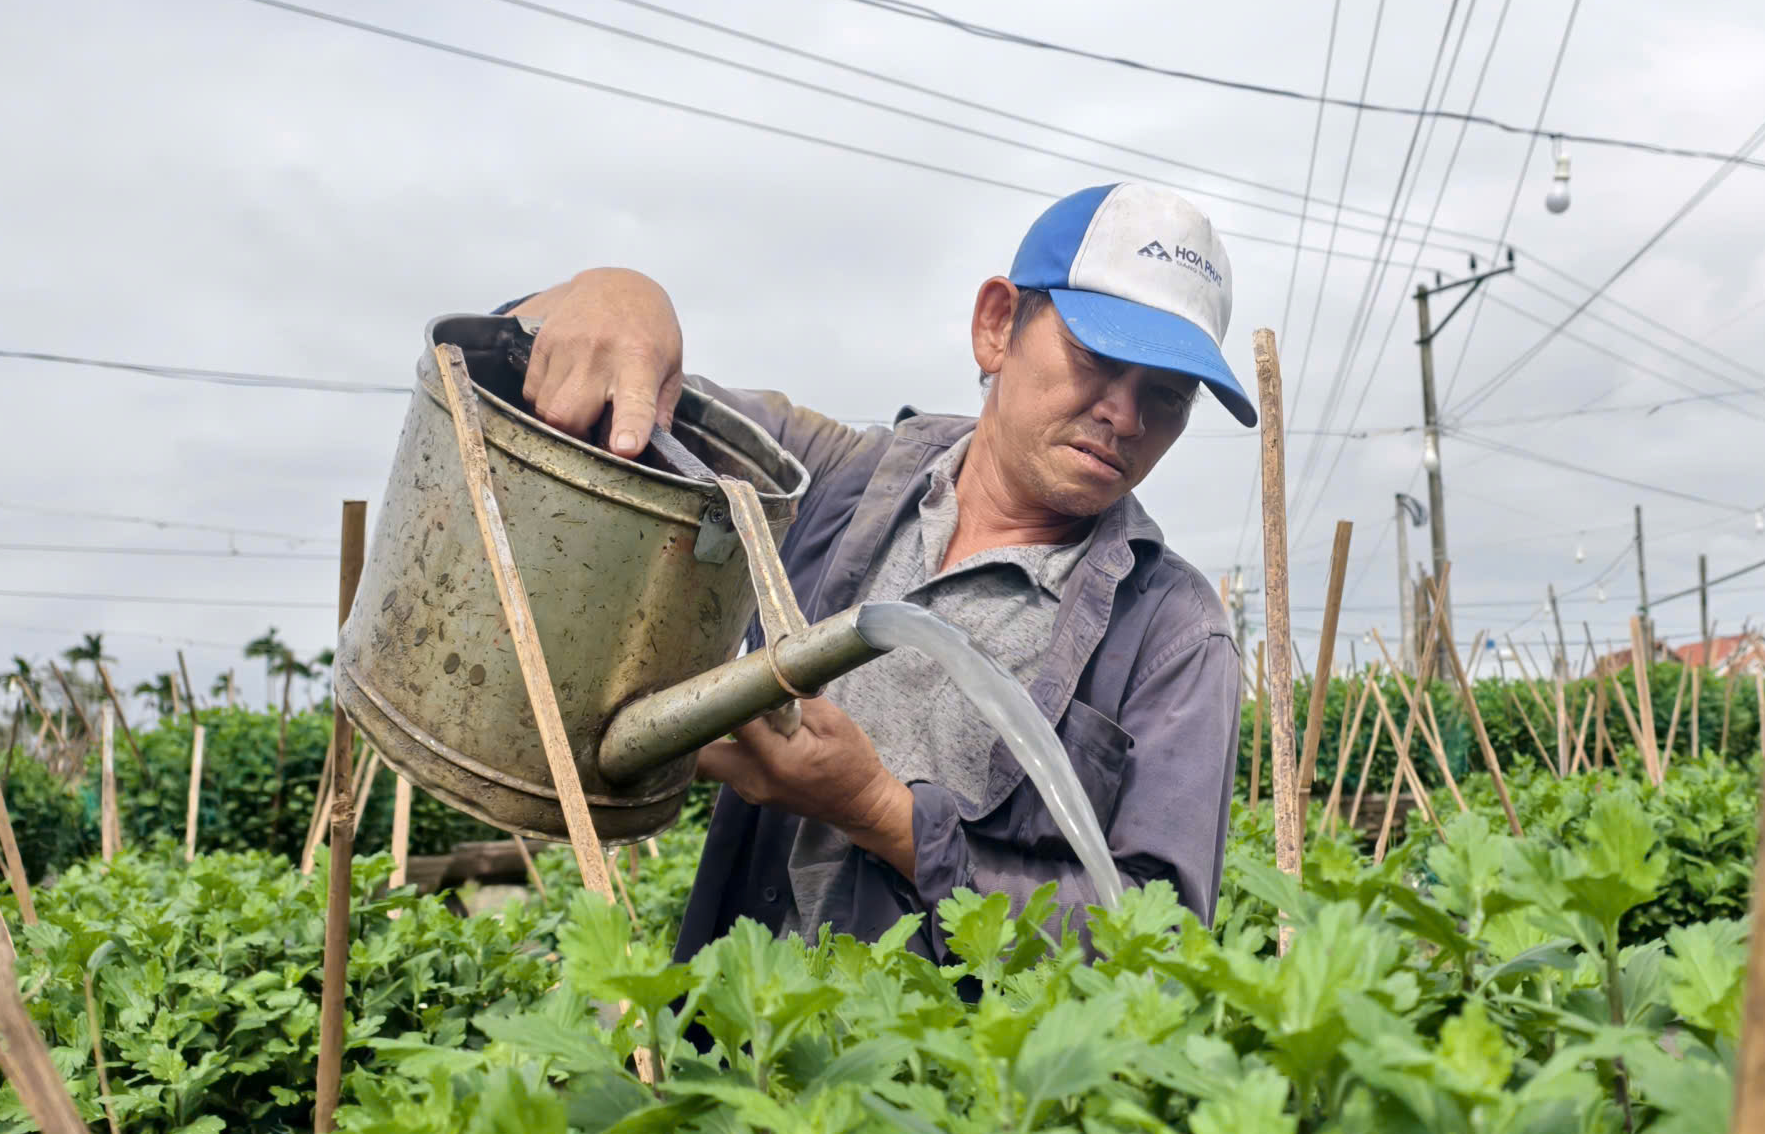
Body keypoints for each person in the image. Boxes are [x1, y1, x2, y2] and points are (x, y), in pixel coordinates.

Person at [502, 183, 1249, 961]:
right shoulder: (830, 483)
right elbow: (531, 365)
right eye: (1096, 357)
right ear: (997, 326)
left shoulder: (1175, 637)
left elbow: (1158, 950)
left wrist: (878, 811)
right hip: (738, 1048)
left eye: (1167, 395)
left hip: (971, 1078)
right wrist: (618, 296)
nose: (1125, 417)